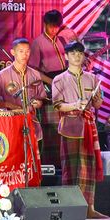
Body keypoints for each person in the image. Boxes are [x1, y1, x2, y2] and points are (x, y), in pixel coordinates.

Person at [51, 41, 106, 219]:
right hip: (70, 126)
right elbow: (57, 105)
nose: (77, 56)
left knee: (89, 167)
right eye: (73, 53)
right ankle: (71, 209)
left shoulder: (92, 78)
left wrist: (97, 100)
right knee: (72, 168)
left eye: (80, 53)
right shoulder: (59, 79)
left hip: (89, 126)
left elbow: (98, 104)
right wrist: (75, 105)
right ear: (66, 56)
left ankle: (90, 208)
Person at [28, 10, 78, 170]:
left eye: (57, 27)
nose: (54, 30)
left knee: (66, 125)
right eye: (51, 27)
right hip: (49, 86)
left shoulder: (63, 40)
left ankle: (66, 164)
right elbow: (33, 70)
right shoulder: (37, 43)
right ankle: (51, 166)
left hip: (65, 85)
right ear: (45, 24)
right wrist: (52, 82)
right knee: (52, 129)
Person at [0, 37, 46, 133]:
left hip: (31, 122)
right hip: (10, 123)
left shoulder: (35, 74)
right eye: (21, 51)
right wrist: (7, 105)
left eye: (27, 51)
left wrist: (38, 103)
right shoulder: (2, 75)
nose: (25, 55)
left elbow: (41, 98)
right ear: (13, 52)